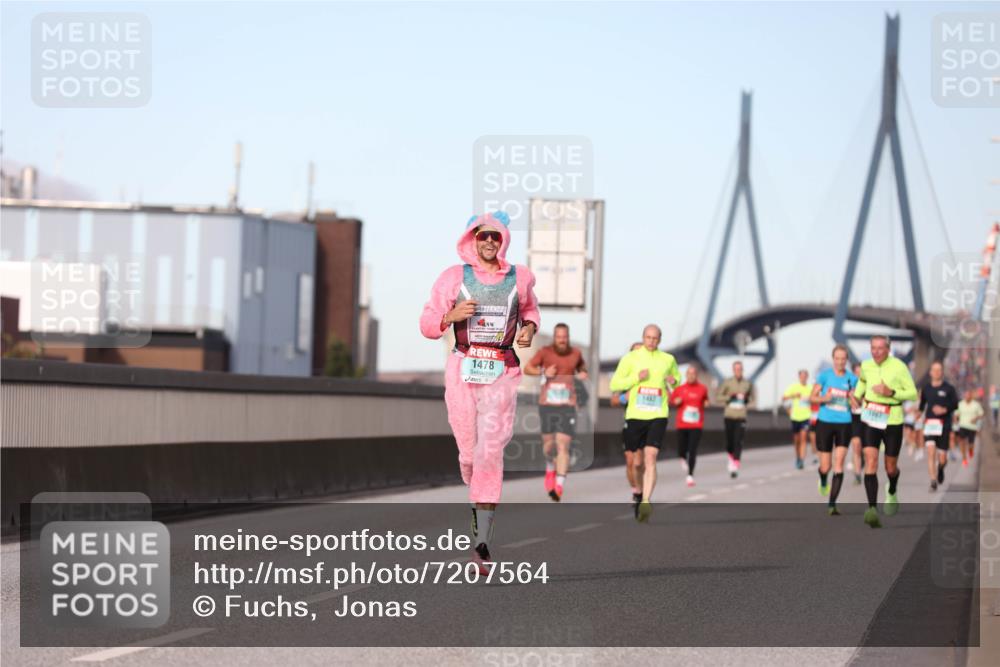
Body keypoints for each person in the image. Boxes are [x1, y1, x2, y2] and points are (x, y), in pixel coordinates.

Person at [419, 211, 539, 572]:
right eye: (482, 236)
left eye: (495, 237)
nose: (489, 242)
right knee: (470, 454)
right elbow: (426, 324)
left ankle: (481, 540)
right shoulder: (452, 278)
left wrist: (529, 329)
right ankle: (473, 478)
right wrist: (450, 316)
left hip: (502, 368)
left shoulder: (521, 277)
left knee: (491, 450)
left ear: (503, 240)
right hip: (463, 369)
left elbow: (530, 310)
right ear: (472, 238)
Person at [609, 325, 682, 523]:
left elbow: (677, 380)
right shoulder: (630, 359)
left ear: (659, 340)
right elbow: (614, 384)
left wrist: (673, 380)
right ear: (643, 337)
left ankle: (646, 502)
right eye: (648, 338)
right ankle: (639, 492)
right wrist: (635, 378)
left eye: (655, 338)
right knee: (636, 462)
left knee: (651, 457)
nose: (651, 341)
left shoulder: (668, 359)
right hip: (635, 416)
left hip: (658, 414)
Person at [854, 335, 917, 528]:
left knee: (890, 467)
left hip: (893, 419)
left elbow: (912, 393)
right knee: (870, 460)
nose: (876, 352)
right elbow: (863, 382)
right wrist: (856, 395)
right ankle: (872, 509)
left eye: (880, 348)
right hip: (872, 417)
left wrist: (891, 392)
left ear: (888, 349)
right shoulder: (866, 365)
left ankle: (892, 489)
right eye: (873, 348)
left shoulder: (899, 366)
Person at [524, 323, 587, 502]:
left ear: (568, 337)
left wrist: (582, 374)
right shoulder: (545, 352)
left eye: (564, 337)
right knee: (549, 447)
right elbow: (527, 368)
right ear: (554, 337)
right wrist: (543, 372)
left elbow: (582, 368)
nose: (562, 340)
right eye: (559, 337)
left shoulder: (576, 353)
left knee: (563, 445)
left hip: (567, 405)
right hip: (548, 404)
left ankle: (559, 485)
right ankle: (550, 466)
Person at [810, 344, 858, 515]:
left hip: (844, 423)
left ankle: (832, 504)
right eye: (837, 359)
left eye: (843, 359)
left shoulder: (853, 379)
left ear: (846, 360)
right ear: (833, 359)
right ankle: (823, 479)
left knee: (839, 464)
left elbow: (858, 404)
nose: (840, 362)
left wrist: (853, 399)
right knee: (826, 466)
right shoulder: (824, 377)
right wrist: (825, 397)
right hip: (825, 422)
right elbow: (812, 397)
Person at [917, 361, 959, 492]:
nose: (936, 372)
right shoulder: (926, 388)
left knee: (942, 458)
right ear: (930, 372)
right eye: (934, 370)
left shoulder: (949, 388)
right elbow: (922, 405)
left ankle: (940, 468)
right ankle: (933, 481)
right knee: (930, 452)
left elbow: (955, 404)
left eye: (939, 370)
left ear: (942, 372)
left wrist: (944, 409)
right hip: (930, 424)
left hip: (944, 425)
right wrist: (918, 415)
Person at [612, 342, 644, 508]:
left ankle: (643, 489)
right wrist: (627, 397)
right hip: (630, 423)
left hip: (649, 423)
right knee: (631, 461)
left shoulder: (651, 375)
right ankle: (635, 490)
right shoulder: (625, 378)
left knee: (641, 462)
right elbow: (614, 400)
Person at [671, 365, 709, 487]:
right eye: (689, 373)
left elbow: (706, 400)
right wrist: (676, 402)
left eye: (693, 373)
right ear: (686, 375)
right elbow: (671, 400)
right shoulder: (680, 389)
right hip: (682, 424)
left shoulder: (703, 388)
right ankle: (682, 457)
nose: (691, 376)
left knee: (693, 450)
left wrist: (706, 403)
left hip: (696, 424)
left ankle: (690, 475)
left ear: (696, 375)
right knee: (682, 449)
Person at [716, 361, 755, 478]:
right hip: (729, 415)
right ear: (733, 370)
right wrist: (730, 397)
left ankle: (736, 461)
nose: (738, 371)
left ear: (742, 370)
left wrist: (747, 399)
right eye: (736, 369)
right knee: (730, 442)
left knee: (739, 440)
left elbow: (752, 397)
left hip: (741, 416)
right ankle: (731, 457)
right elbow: (718, 397)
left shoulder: (747, 383)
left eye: (740, 369)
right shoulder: (727, 382)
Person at [783, 370, 813, 470]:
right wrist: (794, 396)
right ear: (799, 377)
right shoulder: (794, 387)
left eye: (805, 376)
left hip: (806, 416)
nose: (803, 378)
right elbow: (783, 398)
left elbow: (816, 398)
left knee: (804, 438)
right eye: (802, 376)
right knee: (797, 440)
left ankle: (801, 460)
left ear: (807, 377)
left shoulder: (810, 388)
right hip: (795, 417)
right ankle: (797, 457)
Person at [956, 388, 985, 465]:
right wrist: (956, 418)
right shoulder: (960, 404)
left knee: (970, 444)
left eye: (968, 395)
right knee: (962, 442)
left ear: (971, 396)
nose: (967, 397)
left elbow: (981, 414)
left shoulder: (976, 404)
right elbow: (957, 413)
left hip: (972, 427)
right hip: (962, 425)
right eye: (966, 395)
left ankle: (970, 450)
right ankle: (964, 458)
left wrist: (976, 418)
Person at [849, 362, 865, 485]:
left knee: (865, 448)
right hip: (854, 418)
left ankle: (862, 459)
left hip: (867, 418)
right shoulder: (848, 384)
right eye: (856, 372)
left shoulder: (868, 384)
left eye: (861, 372)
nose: (858, 375)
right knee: (856, 444)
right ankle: (857, 474)